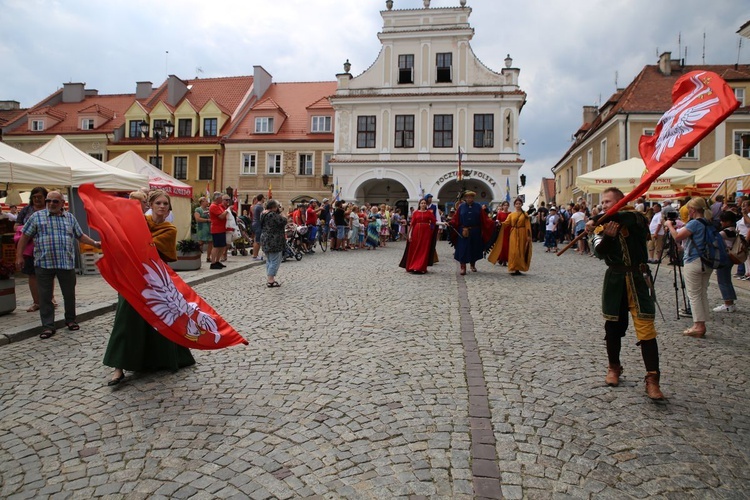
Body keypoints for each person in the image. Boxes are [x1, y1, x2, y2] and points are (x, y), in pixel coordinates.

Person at [104, 190, 195, 386]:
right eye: (158, 203)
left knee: (161, 318)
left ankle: (164, 359)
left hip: (156, 280)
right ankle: (118, 368)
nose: (162, 207)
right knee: (125, 319)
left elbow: (149, 247)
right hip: (132, 278)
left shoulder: (169, 229)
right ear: (151, 206)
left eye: (165, 204)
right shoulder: (137, 223)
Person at [585, 187, 664, 400]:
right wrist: (605, 235)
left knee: (646, 329)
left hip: (638, 280)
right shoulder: (602, 227)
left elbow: (625, 219)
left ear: (621, 202)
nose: (604, 205)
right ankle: (614, 367)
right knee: (613, 328)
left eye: (608, 202)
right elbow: (599, 252)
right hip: (615, 281)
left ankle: (652, 378)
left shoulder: (635, 217)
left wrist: (596, 219)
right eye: (602, 203)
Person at [15, 190, 101, 339]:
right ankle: (48, 326)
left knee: (69, 294)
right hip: (44, 262)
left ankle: (71, 320)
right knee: (45, 297)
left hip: (65, 263)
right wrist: (19, 256)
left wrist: (94, 243)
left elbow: (80, 235)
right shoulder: (36, 217)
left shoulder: (69, 218)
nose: (51, 204)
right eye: (49, 201)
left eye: (55, 201)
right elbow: (25, 237)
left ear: (62, 203)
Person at [664, 197, 716, 338]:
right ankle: (702, 323)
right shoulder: (708, 222)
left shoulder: (694, 223)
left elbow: (677, 236)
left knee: (693, 294)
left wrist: (669, 225)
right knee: (702, 293)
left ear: (692, 209)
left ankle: (698, 325)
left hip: (694, 261)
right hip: (707, 261)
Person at [14, 186, 48, 312]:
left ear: (45, 198)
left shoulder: (50, 209)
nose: (37, 200)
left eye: (39, 197)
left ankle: (50, 299)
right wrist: (30, 228)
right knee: (32, 274)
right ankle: (37, 302)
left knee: (48, 275)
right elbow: (15, 227)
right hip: (29, 248)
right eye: (34, 197)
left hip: (46, 247)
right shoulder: (26, 210)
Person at [449, 191, 494, 275]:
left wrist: (494, 223)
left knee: (474, 248)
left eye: (471, 197)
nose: (469, 198)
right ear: (465, 198)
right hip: (463, 231)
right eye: (468, 197)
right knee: (462, 249)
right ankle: (463, 267)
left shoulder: (478, 207)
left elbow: (484, 219)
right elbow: (456, 218)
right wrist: (451, 222)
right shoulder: (461, 207)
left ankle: (472, 265)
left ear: (473, 198)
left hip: (475, 231)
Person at [490, 197, 532, 275]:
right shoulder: (511, 215)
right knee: (513, 250)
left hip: (522, 233)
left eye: (519, 204)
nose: (518, 205)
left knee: (520, 250)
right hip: (513, 233)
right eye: (516, 204)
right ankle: (513, 267)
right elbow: (506, 223)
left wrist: (528, 236)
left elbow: (528, 225)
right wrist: (500, 224)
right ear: (514, 205)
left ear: (522, 204)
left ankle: (518, 268)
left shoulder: (524, 214)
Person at [712, 211, 739, 312]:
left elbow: (715, 239)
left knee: (722, 281)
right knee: (727, 280)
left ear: (728, 221)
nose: (721, 223)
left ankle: (728, 303)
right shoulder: (734, 230)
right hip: (730, 257)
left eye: (723, 221)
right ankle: (730, 302)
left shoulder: (725, 232)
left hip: (725, 257)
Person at [402, 199, 437, 274]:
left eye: (424, 203)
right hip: (416, 231)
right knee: (415, 248)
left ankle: (421, 267)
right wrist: (410, 234)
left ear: (426, 205)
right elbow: (412, 223)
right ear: (419, 204)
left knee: (424, 249)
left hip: (426, 233)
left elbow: (434, 221)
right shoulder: (415, 213)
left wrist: (431, 230)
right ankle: (413, 266)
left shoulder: (429, 213)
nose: (423, 204)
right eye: (422, 203)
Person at [260, 199, 286, 287]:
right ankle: (270, 280)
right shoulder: (272, 215)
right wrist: (282, 212)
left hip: (265, 239)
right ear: (274, 207)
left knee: (269, 260)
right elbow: (283, 221)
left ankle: (270, 278)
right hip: (274, 240)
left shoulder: (263, 214)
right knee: (275, 260)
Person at [208, 192, 229, 269]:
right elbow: (221, 216)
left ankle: (217, 261)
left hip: (221, 228)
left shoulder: (218, 206)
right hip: (216, 229)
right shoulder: (213, 206)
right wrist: (227, 211)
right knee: (216, 246)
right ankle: (213, 262)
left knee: (222, 246)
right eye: (221, 198)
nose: (222, 200)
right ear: (217, 199)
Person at [489, 201, 511, 266]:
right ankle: (501, 258)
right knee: (502, 245)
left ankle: (506, 259)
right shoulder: (500, 214)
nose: (506, 206)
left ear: (508, 206)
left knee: (507, 245)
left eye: (507, 205)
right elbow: (497, 221)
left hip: (508, 230)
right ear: (502, 206)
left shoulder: (510, 214)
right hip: (502, 230)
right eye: (504, 205)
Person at [193, 196, 211, 261]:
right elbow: (197, 219)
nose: (207, 202)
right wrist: (207, 220)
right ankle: (198, 257)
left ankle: (208, 257)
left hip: (209, 228)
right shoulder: (198, 209)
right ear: (202, 202)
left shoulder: (208, 209)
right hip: (201, 228)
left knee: (211, 242)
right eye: (206, 201)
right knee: (201, 242)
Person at [251, 194, 265, 260]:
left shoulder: (256, 206)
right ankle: (255, 256)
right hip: (258, 224)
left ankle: (255, 255)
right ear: (262, 198)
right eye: (264, 198)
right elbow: (262, 216)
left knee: (256, 240)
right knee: (257, 240)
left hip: (255, 223)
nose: (264, 199)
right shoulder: (260, 206)